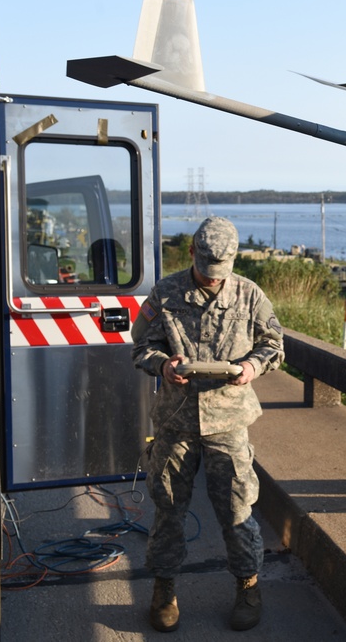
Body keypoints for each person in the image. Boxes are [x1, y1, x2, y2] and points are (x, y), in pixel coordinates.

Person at [131, 216, 284, 633]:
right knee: (167, 509)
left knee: (237, 510)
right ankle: (164, 590)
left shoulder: (250, 295)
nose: (212, 280)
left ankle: (248, 586)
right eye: (205, 270)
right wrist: (163, 365)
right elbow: (140, 345)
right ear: (193, 253)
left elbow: (274, 345)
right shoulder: (165, 292)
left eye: (220, 273)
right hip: (176, 422)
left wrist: (251, 367)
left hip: (228, 421)